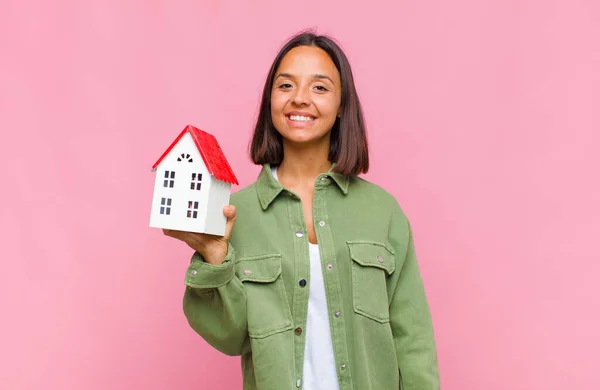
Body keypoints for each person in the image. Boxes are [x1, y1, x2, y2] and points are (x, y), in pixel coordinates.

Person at [163, 30, 440, 390]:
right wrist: (215, 257)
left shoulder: (382, 211)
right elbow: (229, 338)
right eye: (286, 86)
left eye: (319, 87)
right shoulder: (234, 213)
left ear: (342, 105)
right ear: (270, 100)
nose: (300, 99)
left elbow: (413, 340)